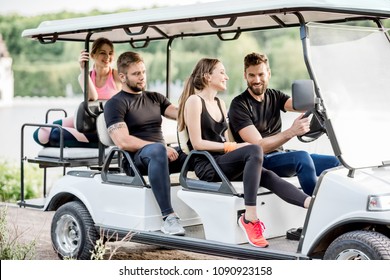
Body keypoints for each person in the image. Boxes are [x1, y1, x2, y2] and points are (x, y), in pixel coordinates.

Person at [177, 58, 311, 248]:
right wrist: (234, 147)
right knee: (255, 148)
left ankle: (310, 204)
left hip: (222, 160)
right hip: (207, 165)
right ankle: (250, 218)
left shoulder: (220, 103)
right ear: (208, 77)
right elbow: (197, 144)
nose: (226, 76)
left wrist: (234, 147)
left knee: (265, 174)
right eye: (222, 72)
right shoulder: (194, 101)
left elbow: (224, 139)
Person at [228, 52, 340, 196]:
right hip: (258, 162)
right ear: (245, 76)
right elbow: (259, 146)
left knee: (336, 163)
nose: (257, 80)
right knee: (302, 157)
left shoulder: (274, 95)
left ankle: (338, 201)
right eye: (251, 75)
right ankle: (315, 206)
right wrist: (292, 131)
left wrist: (325, 99)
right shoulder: (239, 105)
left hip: (279, 155)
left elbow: (300, 105)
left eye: (261, 74)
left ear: (269, 74)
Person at [104, 51, 187, 236]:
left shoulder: (155, 98)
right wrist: (162, 149)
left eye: (143, 72)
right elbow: (123, 141)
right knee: (157, 150)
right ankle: (169, 218)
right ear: (122, 77)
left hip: (160, 155)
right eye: (136, 74)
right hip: (135, 160)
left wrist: (200, 106)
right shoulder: (115, 103)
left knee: (193, 151)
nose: (142, 77)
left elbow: (180, 114)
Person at [33, 37, 121, 148]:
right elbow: (92, 97)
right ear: (92, 55)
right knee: (41, 133)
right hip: (87, 121)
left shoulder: (117, 76)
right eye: (102, 53)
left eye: (111, 53)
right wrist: (83, 69)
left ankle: (94, 143)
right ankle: (70, 141)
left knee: (56, 135)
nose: (108, 57)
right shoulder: (84, 76)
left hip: (105, 127)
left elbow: (94, 97)